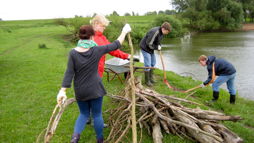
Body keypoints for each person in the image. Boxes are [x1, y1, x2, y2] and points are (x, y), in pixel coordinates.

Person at [57, 24, 131, 143]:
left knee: (83, 114)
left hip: (80, 90)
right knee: (97, 115)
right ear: (92, 36)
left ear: (79, 36)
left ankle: (75, 138)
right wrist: (124, 31)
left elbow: (69, 72)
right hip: (95, 88)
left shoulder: (73, 53)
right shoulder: (97, 50)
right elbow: (116, 44)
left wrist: (63, 90)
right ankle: (100, 140)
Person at [139, 22, 171, 86]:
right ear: (164, 29)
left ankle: (151, 78)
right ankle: (147, 81)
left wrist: (159, 46)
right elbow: (149, 43)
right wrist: (157, 48)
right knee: (148, 64)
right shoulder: (155, 32)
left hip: (150, 49)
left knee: (153, 63)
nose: (167, 33)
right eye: (167, 32)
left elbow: (158, 42)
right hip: (145, 48)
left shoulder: (162, 33)